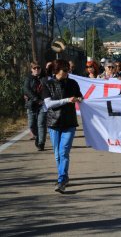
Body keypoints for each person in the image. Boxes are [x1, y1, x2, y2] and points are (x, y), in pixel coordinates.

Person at [42, 59, 83, 193]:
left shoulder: (73, 83)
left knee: (63, 152)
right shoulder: (47, 84)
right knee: (57, 155)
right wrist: (67, 100)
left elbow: (80, 97)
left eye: (68, 70)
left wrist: (79, 99)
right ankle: (63, 176)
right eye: (65, 70)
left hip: (69, 122)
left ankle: (61, 180)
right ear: (57, 70)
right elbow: (48, 104)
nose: (67, 72)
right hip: (54, 123)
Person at [23, 61, 48, 151]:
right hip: (31, 105)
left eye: (38, 68)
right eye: (35, 68)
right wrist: (35, 99)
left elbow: (49, 88)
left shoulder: (45, 78)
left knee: (41, 124)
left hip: (43, 105)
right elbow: (26, 89)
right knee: (32, 125)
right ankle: (37, 136)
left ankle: (41, 143)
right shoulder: (28, 78)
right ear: (31, 69)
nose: (37, 70)